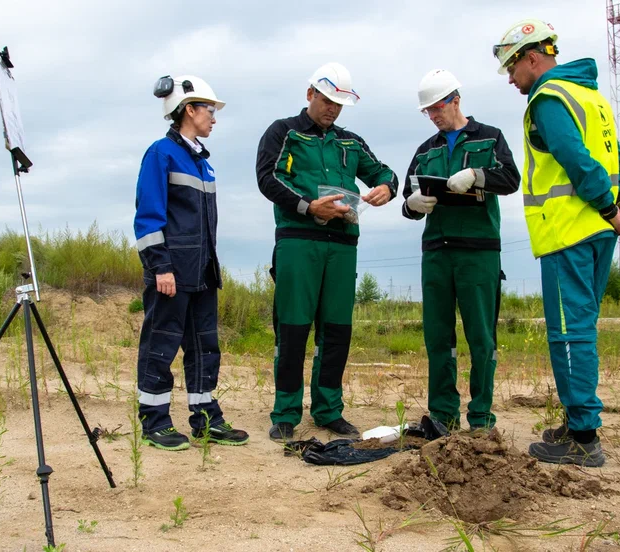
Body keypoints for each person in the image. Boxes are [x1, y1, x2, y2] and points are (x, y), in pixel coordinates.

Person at [493, 19, 620, 466]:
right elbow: (617, 155)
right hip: (598, 233)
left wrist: (606, 205)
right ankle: (580, 420)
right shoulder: (591, 97)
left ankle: (582, 436)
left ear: (532, 58)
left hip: (569, 232)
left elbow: (575, 158)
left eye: (511, 67)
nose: (509, 78)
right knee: (581, 327)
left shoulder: (549, 98)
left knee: (568, 333)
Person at [256, 62, 398, 441]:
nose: (332, 109)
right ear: (310, 95)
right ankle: (285, 411)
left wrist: (387, 188)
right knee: (293, 328)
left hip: (343, 246)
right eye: (327, 100)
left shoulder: (350, 142)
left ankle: (328, 410)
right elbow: (267, 178)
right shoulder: (283, 132)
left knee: (336, 331)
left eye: (340, 104)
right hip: (299, 241)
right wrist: (307, 206)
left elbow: (384, 172)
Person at [133, 74, 249, 451]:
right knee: (161, 345)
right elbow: (149, 217)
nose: (214, 118)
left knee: (204, 346)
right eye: (209, 110)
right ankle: (155, 421)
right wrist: (160, 266)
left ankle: (206, 419)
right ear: (188, 110)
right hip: (172, 273)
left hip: (202, 272)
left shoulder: (203, 162)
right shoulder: (160, 154)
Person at [402, 69, 520, 435]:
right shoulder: (426, 151)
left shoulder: (490, 138)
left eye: (437, 108)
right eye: (427, 112)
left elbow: (511, 180)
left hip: (479, 252)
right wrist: (413, 204)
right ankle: (443, 414)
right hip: (436, 252)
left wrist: (477, 176)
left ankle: (482, 418)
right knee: (438, 336)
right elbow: (407, 202)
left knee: (481, 336)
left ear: (455, 99)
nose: (434, 116)